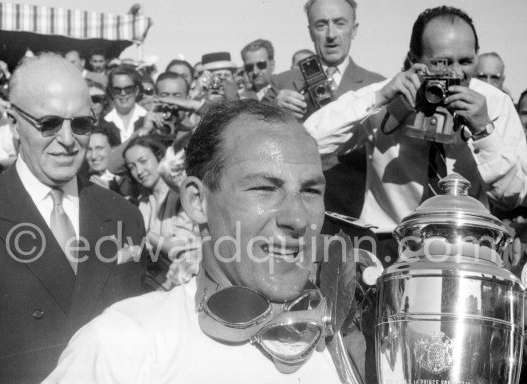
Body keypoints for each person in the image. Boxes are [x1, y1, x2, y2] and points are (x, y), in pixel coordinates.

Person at [44, 100, 354, 383]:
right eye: (264, 188)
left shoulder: (352, 340)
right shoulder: (124, 344)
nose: (298, 218)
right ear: (196, 201)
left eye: (311, 191)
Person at [304, 6, 527, 260]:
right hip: (391, 246)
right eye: (441, 63)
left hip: (467, 246)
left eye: (466, 61)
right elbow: (309, 142)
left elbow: (514, 195)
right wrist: (378, 98)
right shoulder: (387, 96)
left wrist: (484, 131)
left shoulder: (494, 104)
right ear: (414, 59)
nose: (455, 73)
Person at [0, 53, 146, 383]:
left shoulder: (123, 216)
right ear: (13, 120)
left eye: (81, 124)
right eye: (49, 123)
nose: (68, 141)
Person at [264, 0, 384, 227]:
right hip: (293, 213)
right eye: (321, 25)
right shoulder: (282, 82)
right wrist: (272, 113)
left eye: (339, 23)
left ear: (354, 29)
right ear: (310, 31)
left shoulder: (376, 86)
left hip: (354, 214)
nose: (331, 34)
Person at [123, 135, 199, 290]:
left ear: (159, 157)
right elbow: (136, 249)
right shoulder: (143, 202)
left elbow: (177, 249)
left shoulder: (182, 196)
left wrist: (144, 233)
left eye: (143, 161)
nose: (139, 171)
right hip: (157, 284)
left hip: (186, 284)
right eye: (131, 166)